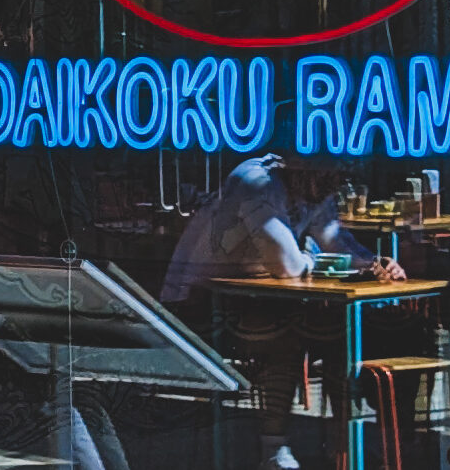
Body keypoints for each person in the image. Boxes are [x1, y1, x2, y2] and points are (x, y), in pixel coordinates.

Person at [161, 153, 405, 470]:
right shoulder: (255, 181)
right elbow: (287, 265)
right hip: (195, 301)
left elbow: (334, 240)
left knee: (338, 329)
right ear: (297, 164)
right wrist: (314, 257)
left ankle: (346, 445)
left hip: (253, 296)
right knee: (282, 333)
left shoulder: (313, 187)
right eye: (328, 174)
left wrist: (374, 263)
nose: (334, 184)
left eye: (339, 176)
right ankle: (273, 450)